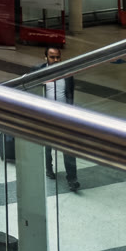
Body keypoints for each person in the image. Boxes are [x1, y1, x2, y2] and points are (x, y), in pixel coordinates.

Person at [36, 44, 80, 189]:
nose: (55, 60)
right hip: (46, 116)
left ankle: (72, 179)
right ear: (46, 58)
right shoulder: (39, 72)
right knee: (48, 145)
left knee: (68, 147)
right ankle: (49, 169)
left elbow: (70, 93)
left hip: (63, 116)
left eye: (57, 57)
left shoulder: (67, 73)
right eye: (52, 57)